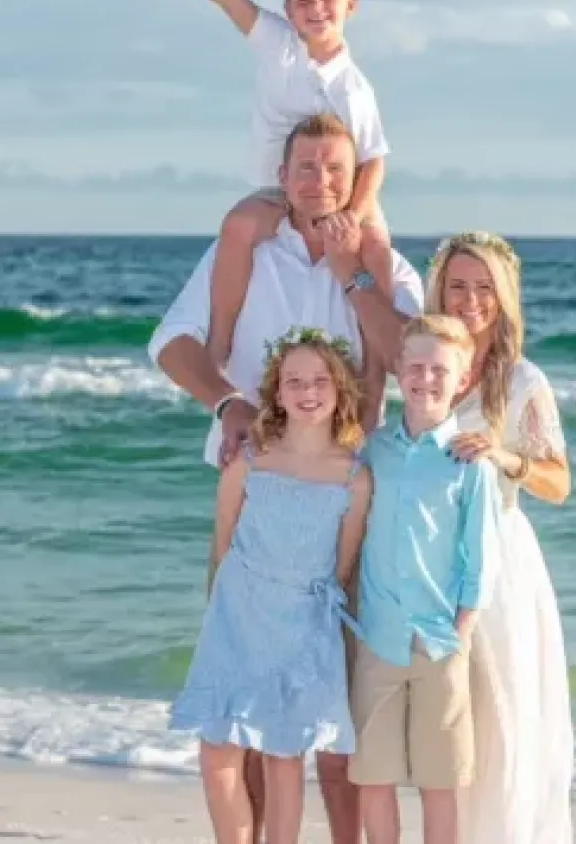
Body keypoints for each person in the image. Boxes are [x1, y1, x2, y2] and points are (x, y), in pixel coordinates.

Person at [148, 112, 423, 844]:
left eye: (336, 167)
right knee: (239, 731)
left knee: (327, 727)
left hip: (345, 495)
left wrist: (356, 276)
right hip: (258, 494)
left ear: (358, 175)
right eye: (306, 167)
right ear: (282, 175)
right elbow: (170, 342)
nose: (320, 181)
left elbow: (410, 358)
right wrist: (229, 401)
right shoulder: (246, 247)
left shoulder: (382, 261)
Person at [146, 0, 393, 433]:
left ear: (351, 6)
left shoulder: (354, 88)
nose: (315, 8)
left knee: (378, 257)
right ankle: (219, 344)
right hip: (278, 191)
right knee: (239, 225)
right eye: (302, 0)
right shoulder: (277, 44)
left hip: (347, 195)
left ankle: (373, 397)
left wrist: (355, 218)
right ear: (287, 10)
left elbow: (374, 161)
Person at [170, 327, 371, 844]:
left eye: (320, 380)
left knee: (285, 757)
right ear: (276, 393)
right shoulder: (251, 460)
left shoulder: (354, 476)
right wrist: (219, 618)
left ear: (341, 387)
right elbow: (221, 546)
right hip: (236, 618)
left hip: (304, 624)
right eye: (295, 381)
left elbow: (343, 568)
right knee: (217, 753)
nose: (308, 391)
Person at [426, 231, 574, 844]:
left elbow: (558, 482)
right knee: (448, 733)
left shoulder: (521, 380)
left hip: (501, 564)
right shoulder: (423, 360)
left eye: (484, 287)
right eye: (457, 285)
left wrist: (504, 457)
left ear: (504, 296)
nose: (469, 299)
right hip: (429, 559)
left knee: (503, 725)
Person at [348, 314, 502, 844]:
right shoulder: (373, 450)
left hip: (441, 642)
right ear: (397, 371)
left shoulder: (470, 463)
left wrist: (459, 633)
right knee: (373, 777)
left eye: (439, 369)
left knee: (441, 783)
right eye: (415, 366)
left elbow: (481, 561)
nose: (426, 378)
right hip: (379, 639)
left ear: (462, 380)